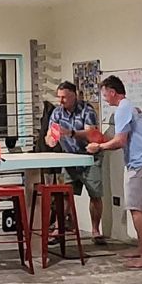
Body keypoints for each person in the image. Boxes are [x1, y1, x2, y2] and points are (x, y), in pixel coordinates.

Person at [86, 75, 142, 268]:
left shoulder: (123, 109)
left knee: (136, 208)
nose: (104, 98)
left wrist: (99, 146)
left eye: (104, 94)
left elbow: (120, 141)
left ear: (112, 92)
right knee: (138, 207)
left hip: (141, 162)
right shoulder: (130, 107)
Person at [45, 81, 105, 243]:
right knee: (64, 194)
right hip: (70, 158)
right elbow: (50, 134)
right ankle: (59, 228)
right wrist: (51, 139)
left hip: (89, 157)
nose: (61, 101)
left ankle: (95, 231)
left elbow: (91, 134)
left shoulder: (87, 110)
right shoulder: (57, 113)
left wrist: (71, 133)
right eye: (59, 97)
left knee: (95, 194)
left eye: (64, 97)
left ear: (74, 95)